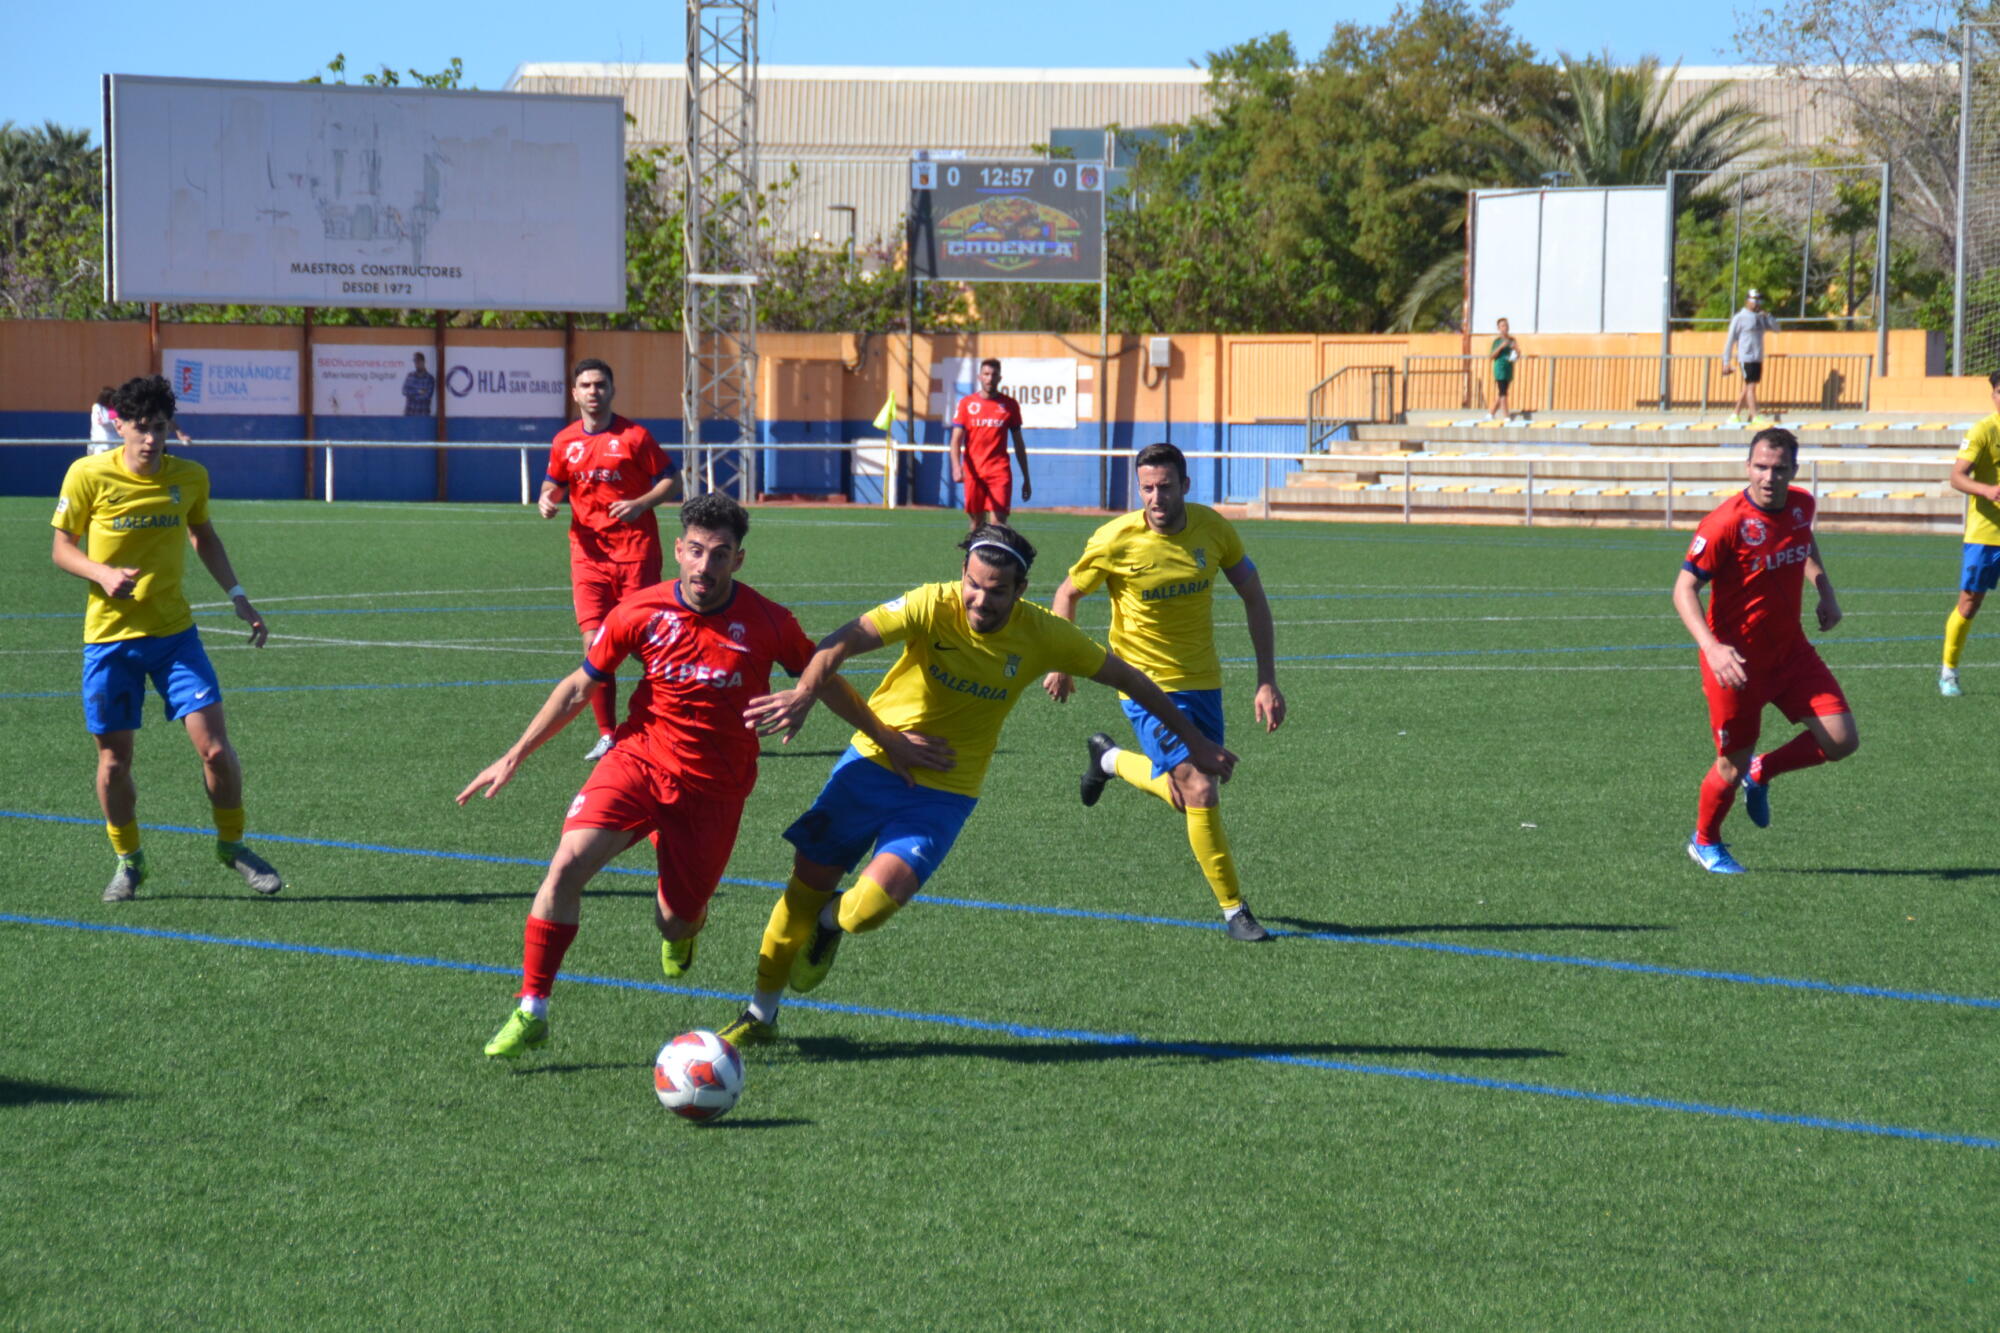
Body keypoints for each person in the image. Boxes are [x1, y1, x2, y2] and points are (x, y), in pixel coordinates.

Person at [714, 523, 1240, 1047]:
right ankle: (760, 1015)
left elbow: (1130, 679)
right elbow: (840, 643)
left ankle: (829, 926)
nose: (980, 600)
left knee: (870, 908)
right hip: (873, 762)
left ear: (1020, 590)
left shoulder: (1044, 634)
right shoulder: (930, 603)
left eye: (996, 590)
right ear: (961, 574)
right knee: (800, 892)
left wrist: (1194, 743)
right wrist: (806, 692)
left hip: (947, 789)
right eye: (973, 584)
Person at [459, 493, 915, 1059]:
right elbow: (580, 685)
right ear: (677, 549)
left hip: (713, 791)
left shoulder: (769, 622)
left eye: (719, 554)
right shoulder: (639, 611)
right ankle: (532, 1008)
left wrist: (886, 738)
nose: (705, 565)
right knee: (567, 865)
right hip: (638, 761)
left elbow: (822, 679)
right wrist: (514, 754)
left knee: (675, 922)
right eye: (696, 551)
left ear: (738, 560)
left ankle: (683, 915)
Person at [49, 374, 284, 903]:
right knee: (114, 763)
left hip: (175, 636)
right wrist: (102, 574)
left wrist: (238, 595)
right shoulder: (87, 474)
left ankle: (232, 845)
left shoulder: (190, 477)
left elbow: (203, 534)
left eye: (159, 427)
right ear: (120, 426)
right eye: (142, 427)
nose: (152, 439)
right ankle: (129, 862)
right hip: (110, 641)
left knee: (216, 750)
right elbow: (62, 548)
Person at [1042, 442, 1286, 940]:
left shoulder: (1214, 530)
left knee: (1186, 796)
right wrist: (1062, 663)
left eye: (1166, 487)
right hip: (1141, 682)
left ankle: (1108, 760)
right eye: (1147, 488)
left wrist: (1266, 679)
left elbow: (1254, 597)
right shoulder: (1114, 540)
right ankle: (1234, 910)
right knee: (1199, 787)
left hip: (1203, 681)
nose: (1156, 498)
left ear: (1185, 486)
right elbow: (1067, 594)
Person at [1673, 428, 1858, 874]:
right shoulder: (1724, 523)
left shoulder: (1802, 505)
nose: (1768, 477)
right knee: (1730, 765)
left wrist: (1825, 590)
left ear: (1794, 470)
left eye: (1779, 469)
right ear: (1747, 467)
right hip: (1736, 664)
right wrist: (1712, 648)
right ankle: (1705, 841)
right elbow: (1683, 589)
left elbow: (1803, 540)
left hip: (1791, 652)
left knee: (1841, 740)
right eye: (1760, 467)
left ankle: (1763, 770)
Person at [541, 358, 681, 760]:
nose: (593, 391)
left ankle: (677, 716)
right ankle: (608, 735)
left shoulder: (635, 437)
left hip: (635, 554)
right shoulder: (564, 441)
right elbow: (553, 483)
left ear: (612, 390)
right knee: (594, 644)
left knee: (643, 645)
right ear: (575, 393)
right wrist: (546, 500)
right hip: (587, 557)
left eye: (600, 384)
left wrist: (641, 504)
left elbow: (672, 480)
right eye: (585, 385)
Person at [1939, 372, 2000, 697]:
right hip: (1986, 535)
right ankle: (1949, 671)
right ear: (1993, 395)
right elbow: (1957, 477)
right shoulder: (1983, 431)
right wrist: (1987, 490)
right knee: (1969, 604)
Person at [948, 358, 1032, 530]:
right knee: (976, 523)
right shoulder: (966, 404)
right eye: (986, 374)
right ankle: (975, 548)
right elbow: (955, 440)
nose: (990, 378)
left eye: (994, 375)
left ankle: (999, 548)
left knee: (998, 524)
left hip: (999, 471)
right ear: (979, 377)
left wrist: (1026, 477)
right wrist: (956, 467)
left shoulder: (1009, 405)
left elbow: (1019, 444)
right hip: (974, 472)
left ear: (1000, 378)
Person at [1722, 289, 1780, 426]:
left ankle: (1735, 414)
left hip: (1757, 357)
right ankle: (1755, 416)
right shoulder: (1740, 318)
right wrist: (1726, 361)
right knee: (1751, 387)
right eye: (1754, 300)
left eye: (1759, 301)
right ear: (1747, 301)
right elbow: (1730, 340)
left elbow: (1777, 329)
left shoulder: (1761, 317)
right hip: (1746, 357)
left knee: (1748, 387)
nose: (1757, 303)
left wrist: (1768, 316)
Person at [1489, 319, 1520, 421]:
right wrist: (1501, 347)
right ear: (1498, 328)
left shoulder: (1512, 340)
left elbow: (1518, 355)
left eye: (1506, 325)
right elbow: (1491, 356)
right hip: (1500, 369)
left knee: (1503, 392)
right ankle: (1506, 416)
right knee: (1503, 393)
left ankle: (1491, 414)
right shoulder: (1497, 341)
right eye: (1502, 326)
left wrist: (1516, 349)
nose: (1504, 328)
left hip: (1508, 369)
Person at [401, 353, 435, 417]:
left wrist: (411, 395)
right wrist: (419, 391)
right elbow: (404, 391)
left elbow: (427, 396)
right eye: (415, 361)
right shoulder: (410, 376)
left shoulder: (430, 378)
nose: (416, 363)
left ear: (423, 361)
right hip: (409, 414)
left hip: (423, 415)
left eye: (418, 361)